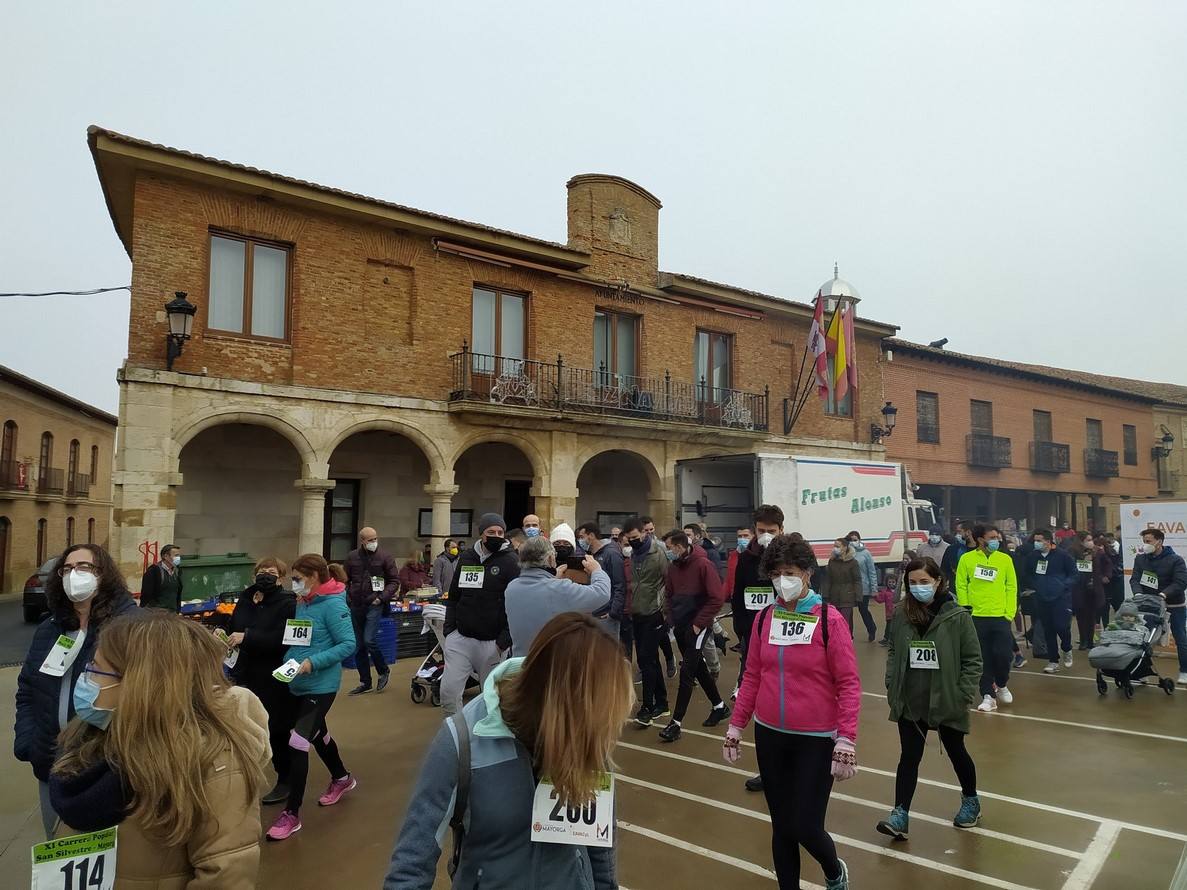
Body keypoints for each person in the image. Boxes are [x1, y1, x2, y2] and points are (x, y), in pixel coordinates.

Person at [386, 613, 631, 889]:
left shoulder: (587, 737)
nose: (603, 727)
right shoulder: (462, 739)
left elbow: (599, 846)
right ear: (565, 702)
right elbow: (411, 863)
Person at [49, 610, 271, 887]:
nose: (86, 679)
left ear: (141, 683)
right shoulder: (96, 734)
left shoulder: (214, 765)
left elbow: (226, 876)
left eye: (95, 669)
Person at [722, 535, 859, 890]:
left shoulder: (829, 621)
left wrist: (846, 737)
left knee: (805, 825)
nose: (784, 580)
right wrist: (737, 724)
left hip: (816, 739)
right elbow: (752, 674)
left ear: (808, 573)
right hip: (770, 734)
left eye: (791, 572)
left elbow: (848, 684)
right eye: (777, 573)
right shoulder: (765, 618)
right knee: (781, 825)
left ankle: (834, 870)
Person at [15, 543, 138, 837]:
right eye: (67, 569)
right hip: (51, 765)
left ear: (103, 575)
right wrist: (29, 742)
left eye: (84, 567)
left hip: (104, 769)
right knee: (60, 850)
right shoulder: (51, 628)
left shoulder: (127, 629)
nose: (74, 575)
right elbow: (28, 689)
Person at [877, 556, 983, 841]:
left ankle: (971, 800)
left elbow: (973, 660)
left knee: (955, 750)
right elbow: (893, 650)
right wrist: (891, 683)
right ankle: (900, 814)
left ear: (938, 582)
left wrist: (963, 694)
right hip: (911, 698)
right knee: (909, 757)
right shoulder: (901, 614)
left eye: (924, 582)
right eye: (912, 583)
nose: (918, 587)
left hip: (947, 697)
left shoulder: (957, 616)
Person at [266, 553, 358, 841]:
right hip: (296, 683)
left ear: (315, 577)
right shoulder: (302, 602)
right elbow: (298, 639)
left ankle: (292, 814)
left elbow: (348, 644)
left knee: (298, 740)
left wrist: (312, 663)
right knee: (319, 734)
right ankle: (342, 778)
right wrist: (290, 661)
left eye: (298, 579)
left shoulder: (333, 605)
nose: (294, 584)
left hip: (321, 686)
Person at [226, 556, 299, 805]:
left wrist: (248, 636)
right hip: (245, 672)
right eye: (262, 571)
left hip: (274, 673)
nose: (266, 575)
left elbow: (285, 638)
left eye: (272, 571)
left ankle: (286, 779)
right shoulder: (247, 599)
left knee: (277, 728)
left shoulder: (288, 603)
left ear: (281, 577)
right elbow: (235, 624)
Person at [441, 513, 520, 715]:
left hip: (492, 643)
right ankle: (455, 735)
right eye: (491, 532)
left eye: (500, 532)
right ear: (481, 534)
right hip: (461, 638)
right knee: (449, 693)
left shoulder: (511, 561)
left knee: (490, 699)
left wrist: (504, 640)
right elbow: (455, 594)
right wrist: (450, 630)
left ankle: (486, 740)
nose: (496, 535)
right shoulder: (467, 557)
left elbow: (515, 603)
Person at [657, 530, 729, 742]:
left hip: (696, 627)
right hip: (680, 626)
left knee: (687, 673)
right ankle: (719, 706)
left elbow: (717, 598)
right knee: (699, 668)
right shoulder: (673, 568)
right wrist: (670, 620)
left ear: (679, 547)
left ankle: (675, 723)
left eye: (669, 548)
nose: (667, 552)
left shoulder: (703, 565)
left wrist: (698, 624)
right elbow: (669, 595)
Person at [504, 536, 611, 655]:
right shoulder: (560, 589)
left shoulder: (512, 588)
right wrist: (597, 570)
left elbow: (537, 597)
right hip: (550, 663)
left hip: (520, 661)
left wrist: (553, 580)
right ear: (550, 558)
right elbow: (601, 593)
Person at [955, 524, 1018, 712]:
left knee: (1003, 654)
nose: (996, 541)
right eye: (992, 537)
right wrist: (966, 610)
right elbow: (961, 585)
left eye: (997, 537)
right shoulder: (967, 559)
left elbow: (1011, 586)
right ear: (980, 539)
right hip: (976, 616)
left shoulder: (1005, 559)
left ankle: (1001, 682)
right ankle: (987, 695)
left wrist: (1009, 613)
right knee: (982, 658)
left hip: (1000, 616)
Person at [625, 518, 671, 726]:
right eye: (629, 539)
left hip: (654, 612)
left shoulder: (658, 553)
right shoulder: (634, 554)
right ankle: (661, 703)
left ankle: (648, 706)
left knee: (645, 659)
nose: (633, 541)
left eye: (635, 537)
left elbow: (669, 582)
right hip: (637, 612)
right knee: (649, 659)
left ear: (643, 533)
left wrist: (665, 611)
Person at [343, 527, 398, 695]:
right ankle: (365, 682)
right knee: (358, 645)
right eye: (370, 539)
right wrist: (347, 597)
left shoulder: (385, 556)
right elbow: (345, 579)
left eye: (375, 538)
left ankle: (383, 670)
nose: (374, 542)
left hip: (375, 603)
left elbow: (394, 581)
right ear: (362, 541)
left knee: (369, 640)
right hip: (356, 604)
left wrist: (381, 598)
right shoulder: (352, 557)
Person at [1130, 528, 1187, 685]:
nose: (1145, 545)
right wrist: (1138, 594)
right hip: (1150, 605)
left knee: (1180, 637)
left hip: (1175, 605)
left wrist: (1164, 594)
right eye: (1144, 541)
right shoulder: (1140, 559)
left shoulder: (1176, 560)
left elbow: (1181, 582)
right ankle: (1141, 672)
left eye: (1148, 541)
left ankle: (1184, 671)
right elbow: (1135, 579)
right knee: (1145, 639)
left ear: (1159, 542)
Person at [1025, 529, 1077, 673]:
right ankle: (1053, 660)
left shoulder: (1062, 555)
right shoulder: (1032, 557)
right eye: (1035, 540)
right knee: (1048, 630)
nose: (1036, 543)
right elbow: (1027, 573)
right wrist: (1035, 585)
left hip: (1061, 599)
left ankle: (1067, 649)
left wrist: (1063, 585)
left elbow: (1074, 573)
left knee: (1062, 627)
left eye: (1039, 540)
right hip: (1042, 598)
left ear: (1048, 541)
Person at [640, 515, 678, 677]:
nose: (649, 533)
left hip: (659, 593)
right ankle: (645, 668)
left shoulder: (662, 546)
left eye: (651, 529)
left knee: (659, 631)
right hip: (641, 594)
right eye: (646, 531)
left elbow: (670, 568)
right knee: (644, 634)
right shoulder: (636, 547)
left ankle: (669, 658)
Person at [578, 522, 627, 641]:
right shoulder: (591, 555)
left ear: (591, 535)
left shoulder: (611, 554)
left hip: (606, 615)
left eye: (581, 537)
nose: (580, 541)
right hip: (593, 614)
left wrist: (613, 613)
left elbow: (619, 585)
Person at [846, 531, 880, 642]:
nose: (853, 542)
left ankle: (871, 629)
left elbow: (872, 571)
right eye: (851, 540)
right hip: (849, 588)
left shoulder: (866, 553)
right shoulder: (846, 553)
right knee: (848, 611)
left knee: (863, 610)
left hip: (863, 587)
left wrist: (874, 588)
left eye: (855, 539)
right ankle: (848, 635)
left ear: (859, 540)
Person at [824, 538, 863, 633]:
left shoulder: (853, 562)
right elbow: (828, 579)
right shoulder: (832, 561)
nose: (835, 548)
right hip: (834, 596)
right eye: (834, 546)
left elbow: (857, 580)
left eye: (837, 546)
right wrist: (825, 595)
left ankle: (848, 638)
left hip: (848, 596)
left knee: (845, 620)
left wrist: (858, 597)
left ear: (845, 547)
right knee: (835, 620)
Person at [139, 542, 183, 611]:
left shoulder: (177, 571)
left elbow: (178, 593)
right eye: (176, 555)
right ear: (165, 556)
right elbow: (146, 595)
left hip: (172, 614)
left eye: (179, 556)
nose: (178, 558)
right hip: (156, 615)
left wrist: (178, 610)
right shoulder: (153, 571)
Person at [940, 522, 972, 589]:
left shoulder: (980, 550)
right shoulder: (951, 549)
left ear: (968, 532)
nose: (957, 535)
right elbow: (944, 570)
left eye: (959, 531)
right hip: (954, 590)